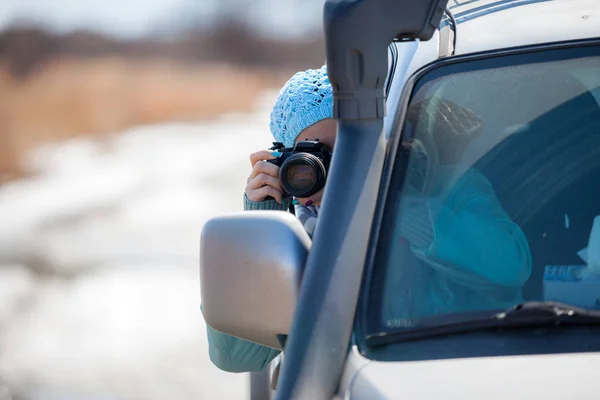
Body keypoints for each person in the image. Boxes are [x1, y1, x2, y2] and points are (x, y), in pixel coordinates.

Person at [202, 65, 532, 373]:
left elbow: (510, 267)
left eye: (347, 151)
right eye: (315, 158)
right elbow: (234, 356)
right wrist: (265, 218)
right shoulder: (294, 234)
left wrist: (392, 202)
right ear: (289, 164)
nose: (336, 169)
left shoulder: (450, 186)